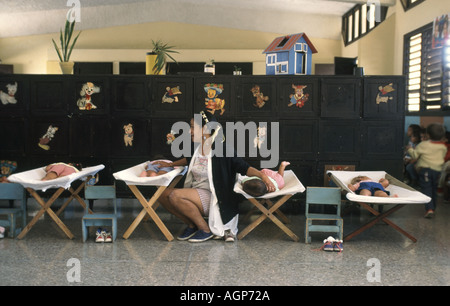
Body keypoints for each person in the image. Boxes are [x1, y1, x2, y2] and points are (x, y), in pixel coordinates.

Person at [156, 110, 275, 243]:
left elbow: (244, 167)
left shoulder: (222, 150)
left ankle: (204, 229)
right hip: (197, 193)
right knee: (160, 195)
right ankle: (192, 225)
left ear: (205, 129)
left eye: (192, 127)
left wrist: (264, 177)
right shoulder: (198, 148)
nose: (190, 131)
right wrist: (171, 164)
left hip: (215, 198)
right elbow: (189, 159)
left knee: (175, 195)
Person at [407, 123, 447, 218]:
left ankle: (429, 209)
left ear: (428, 135)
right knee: (434, 189)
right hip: (438, 171)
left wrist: (410, 149)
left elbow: (415, 156)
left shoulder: (423, 145)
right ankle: (433, 208)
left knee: (427, 189)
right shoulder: (443, 146)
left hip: (426, 170)